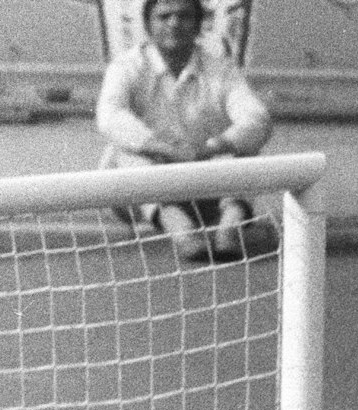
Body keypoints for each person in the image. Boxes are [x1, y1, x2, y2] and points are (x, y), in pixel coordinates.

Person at [95, 0, 273, 263]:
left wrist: (213, 147)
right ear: (148, 26)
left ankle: (230, 228)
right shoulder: (126, 66)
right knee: (123, 152)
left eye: (184, 16)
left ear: (199, 25)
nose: (174, 23)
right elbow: (109, 116)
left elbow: (257, 118)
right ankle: (180, 229)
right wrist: (161, 147)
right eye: (164, 16)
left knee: (245, 148)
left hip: (207, 188)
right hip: (144, 193)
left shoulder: (221, 69)